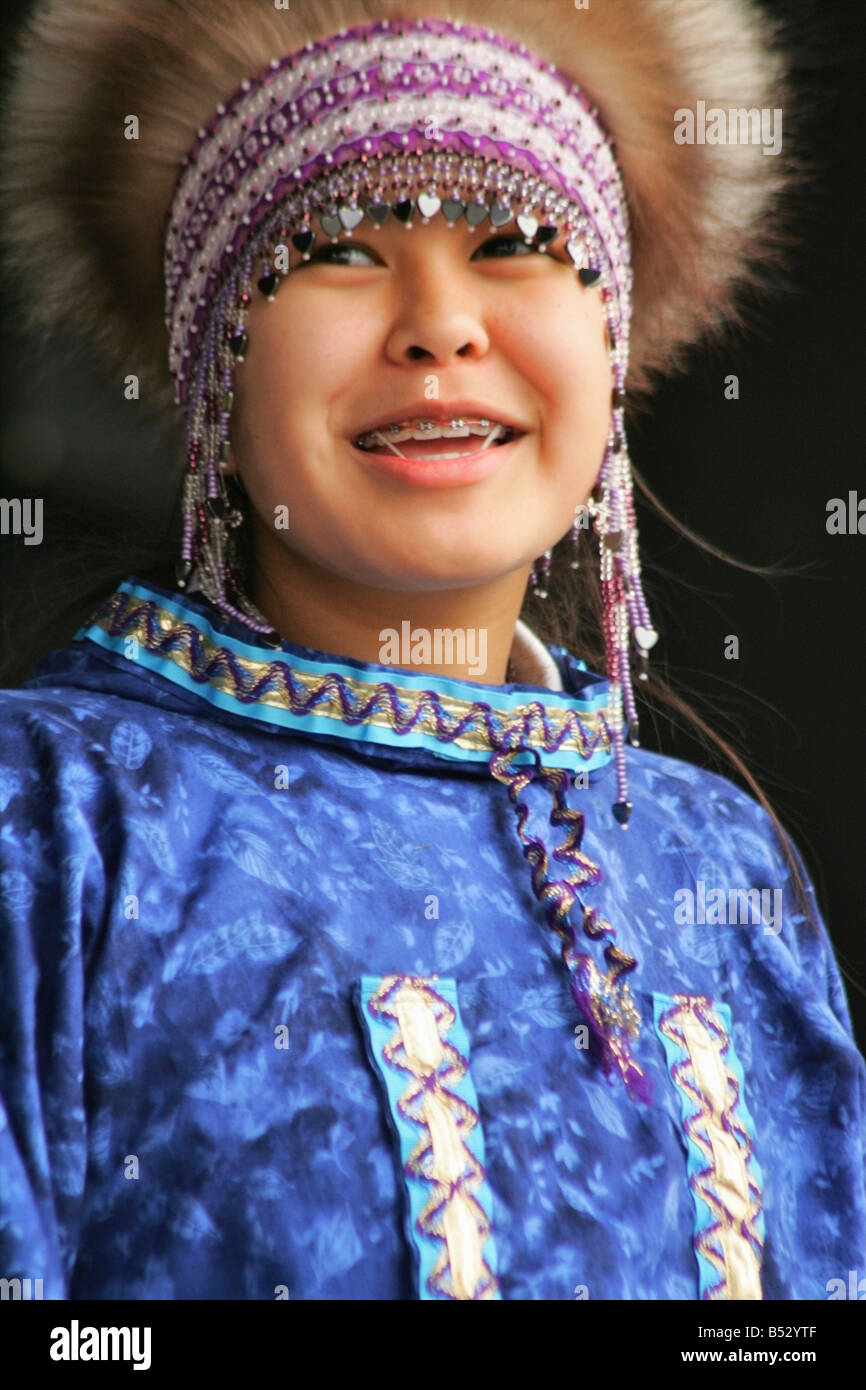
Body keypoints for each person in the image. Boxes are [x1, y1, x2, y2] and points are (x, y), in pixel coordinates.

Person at [0, 0, 863, 1301]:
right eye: (338, 246)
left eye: (515, 240)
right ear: (211, 362)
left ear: (612, 347)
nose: (439, 326)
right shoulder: (51, 819)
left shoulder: (719, 863)